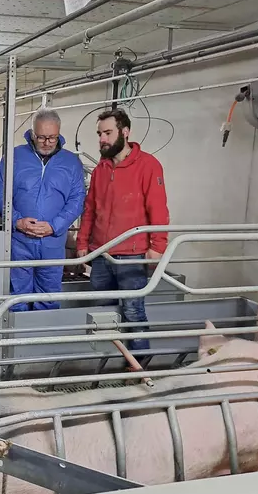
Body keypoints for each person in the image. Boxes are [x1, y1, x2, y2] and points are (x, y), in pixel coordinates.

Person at [76, 109, 170, 351]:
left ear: (125, 132)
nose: (102, 139)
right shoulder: (100, 170)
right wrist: (82, 245)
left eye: (107, 133)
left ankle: (138, 366)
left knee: (133, 312)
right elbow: (90, 209)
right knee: (101, 315)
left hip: (132, 255)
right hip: (101, 254)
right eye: (99, 134)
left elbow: (158, 209)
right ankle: (103, 363)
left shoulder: (148, 166)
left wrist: (158, 247)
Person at [5, 108, 85, 312]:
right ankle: (15, 342)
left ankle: (42, 342)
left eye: (52, 137)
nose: (47, 142)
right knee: (16, 297)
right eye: (41, 137)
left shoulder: (71, 162)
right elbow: (1, 193)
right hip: (19, 242)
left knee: (49, 297)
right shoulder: (15, 157)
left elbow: (77, 199)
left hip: (52, 243)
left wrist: (54, 226)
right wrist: (17, 221)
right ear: (32, 134)